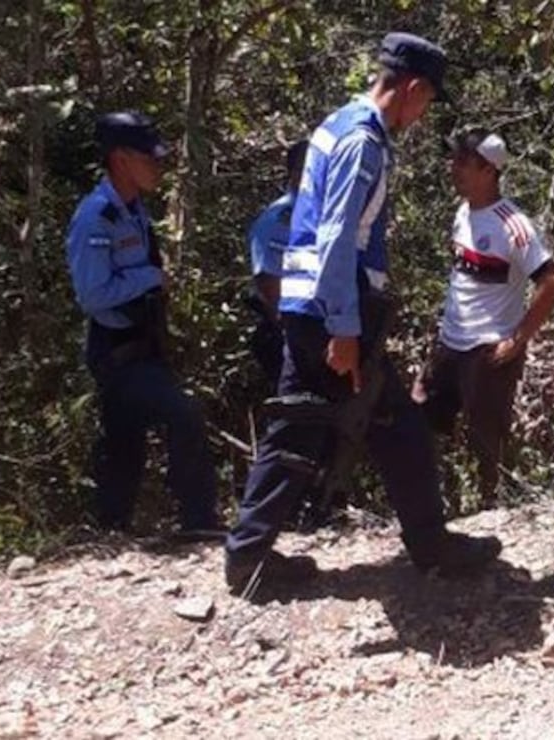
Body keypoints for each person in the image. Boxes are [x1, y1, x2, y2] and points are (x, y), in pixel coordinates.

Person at [225, 32, 502, 594]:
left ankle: (423, 543)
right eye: (426, 102)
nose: (422, 115)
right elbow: (336, 239)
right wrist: (345, 330)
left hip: (313, 310)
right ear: (413, 88)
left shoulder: (337, 124)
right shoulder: (362, 142)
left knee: (378, 428)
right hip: (331, 315)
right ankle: (252, 557)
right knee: (324, 430)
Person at [65, 111, 221, 537]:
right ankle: (199, 520)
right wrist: (151, 277)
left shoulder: (133, 212)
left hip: (143, 344)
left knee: (124, 439)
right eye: (148, 158)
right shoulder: (97, 217)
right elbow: (93, 295)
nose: (157, 166)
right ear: (120, 159)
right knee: (182, 413)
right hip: (116, 347)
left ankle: (110, 528)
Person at [412, 129, 554, 512]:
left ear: (488, 170)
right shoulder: (463, 213)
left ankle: (489, 510)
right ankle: (434, 506)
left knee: (486, 436)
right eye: (454, 160)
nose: (454, 168)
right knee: (422, 418)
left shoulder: (512, 224)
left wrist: (519, 339)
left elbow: (552, 281)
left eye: (464, 162)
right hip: (451, 341)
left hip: (488, 348)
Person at [246, 139, 308, 384]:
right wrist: (292, 328)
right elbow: (268, 280)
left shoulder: (317, 218)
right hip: (285, 333)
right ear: (295, 174)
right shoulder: (279, 220)